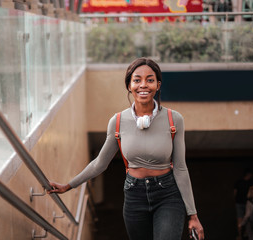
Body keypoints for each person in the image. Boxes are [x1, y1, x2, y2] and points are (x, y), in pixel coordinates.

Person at [48, 58, 204, 240]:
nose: (143, 85)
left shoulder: (174, 119)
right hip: (134, 195)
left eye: (150, 80)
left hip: (168, 194)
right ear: (129, 85)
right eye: (137, 80)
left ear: (158, 85)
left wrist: (193, 215)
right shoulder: (118, 121)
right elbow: (100, 163)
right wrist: (68, 185)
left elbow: (180, 168)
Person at [235, 169, 253, 239]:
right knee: (247, 219)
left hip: (240, 202)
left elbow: (234, 192)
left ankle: (242, 235)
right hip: (246, 203)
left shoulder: (239, 182)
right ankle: (244, 235)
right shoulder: (250, 183)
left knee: (241, 219)